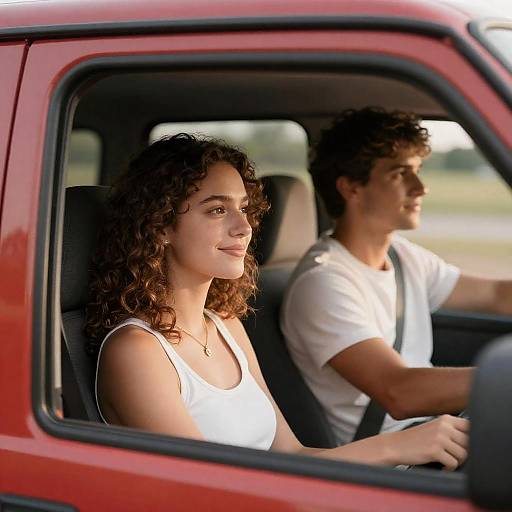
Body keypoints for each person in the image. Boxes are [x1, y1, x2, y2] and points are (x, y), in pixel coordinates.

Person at [85, 133, 468, 470]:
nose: (244, 227)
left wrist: (408, 447)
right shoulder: (135, 351)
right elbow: (208, 493)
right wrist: (392, 448)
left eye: (244, 208)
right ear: (161, 226)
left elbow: (292, 458)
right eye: (218, 210)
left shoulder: (225, 326)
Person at [281, 107, 512, 446]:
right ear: (351, 188)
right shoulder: (323, 282)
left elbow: (495, 296)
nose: (420, 187)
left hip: (442, 431)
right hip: (403, 460)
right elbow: (399, 392)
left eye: (417, 171)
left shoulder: (401, 256)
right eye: (400, 173)